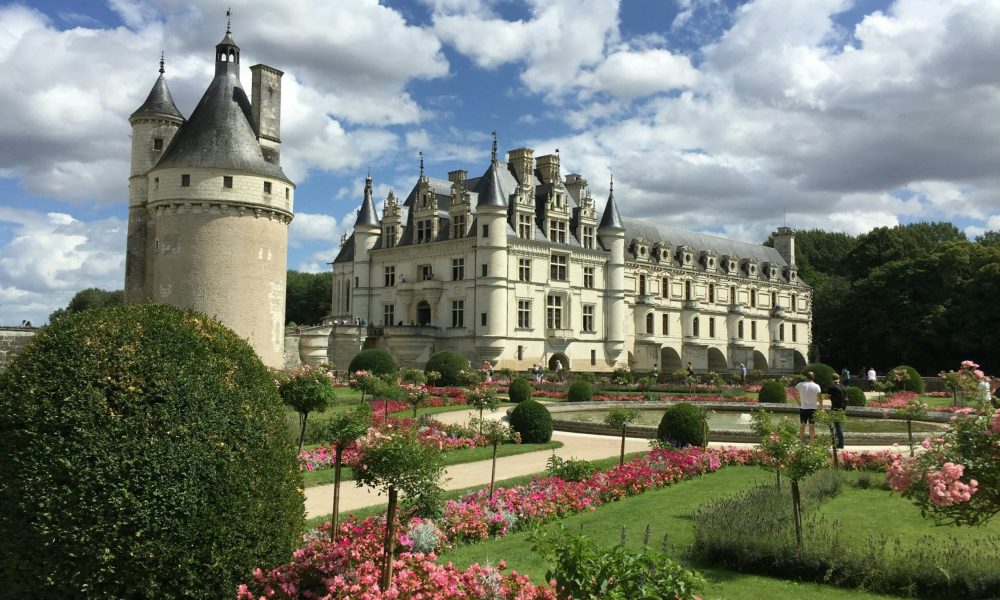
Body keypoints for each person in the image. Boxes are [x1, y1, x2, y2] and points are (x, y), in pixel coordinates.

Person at [795, 371, 823, 443]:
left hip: (803, 408)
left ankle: (801, 441)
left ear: (806, 377)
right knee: (812, 427)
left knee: (802, 425)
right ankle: (812, 442)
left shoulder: (800, 384)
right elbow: (820, 398)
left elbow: (792, 392)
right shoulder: (817, 386)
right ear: (813, 377)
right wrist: (820, 408)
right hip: (813, 409)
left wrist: (798, 402)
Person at [826, 373, 848, 449]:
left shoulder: (831, 388)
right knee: (838, 425)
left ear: (832, 380)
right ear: (839, 379)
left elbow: (826, 397)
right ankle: (837, 442)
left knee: (837, 426)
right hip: (842, 409)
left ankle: (841, 444)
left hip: (835, 408)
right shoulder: (843, 387)